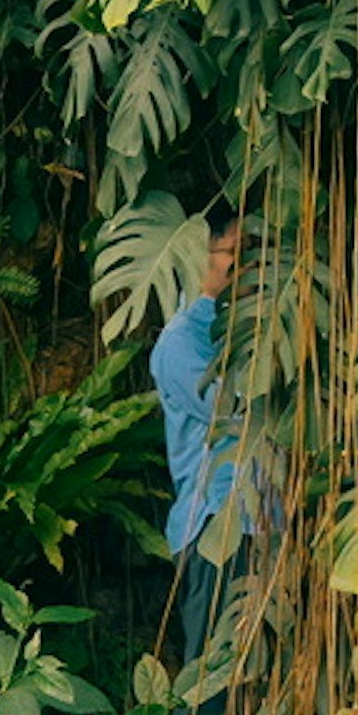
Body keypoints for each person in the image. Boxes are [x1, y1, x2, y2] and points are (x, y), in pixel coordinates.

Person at [150, 209, 247, 651]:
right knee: (214, 674)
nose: (248, 266)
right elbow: (234, 409)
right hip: (215, 524)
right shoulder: (182, 339)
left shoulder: (244, 329)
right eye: (236, 252)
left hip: (259, 520)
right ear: (201, 255)